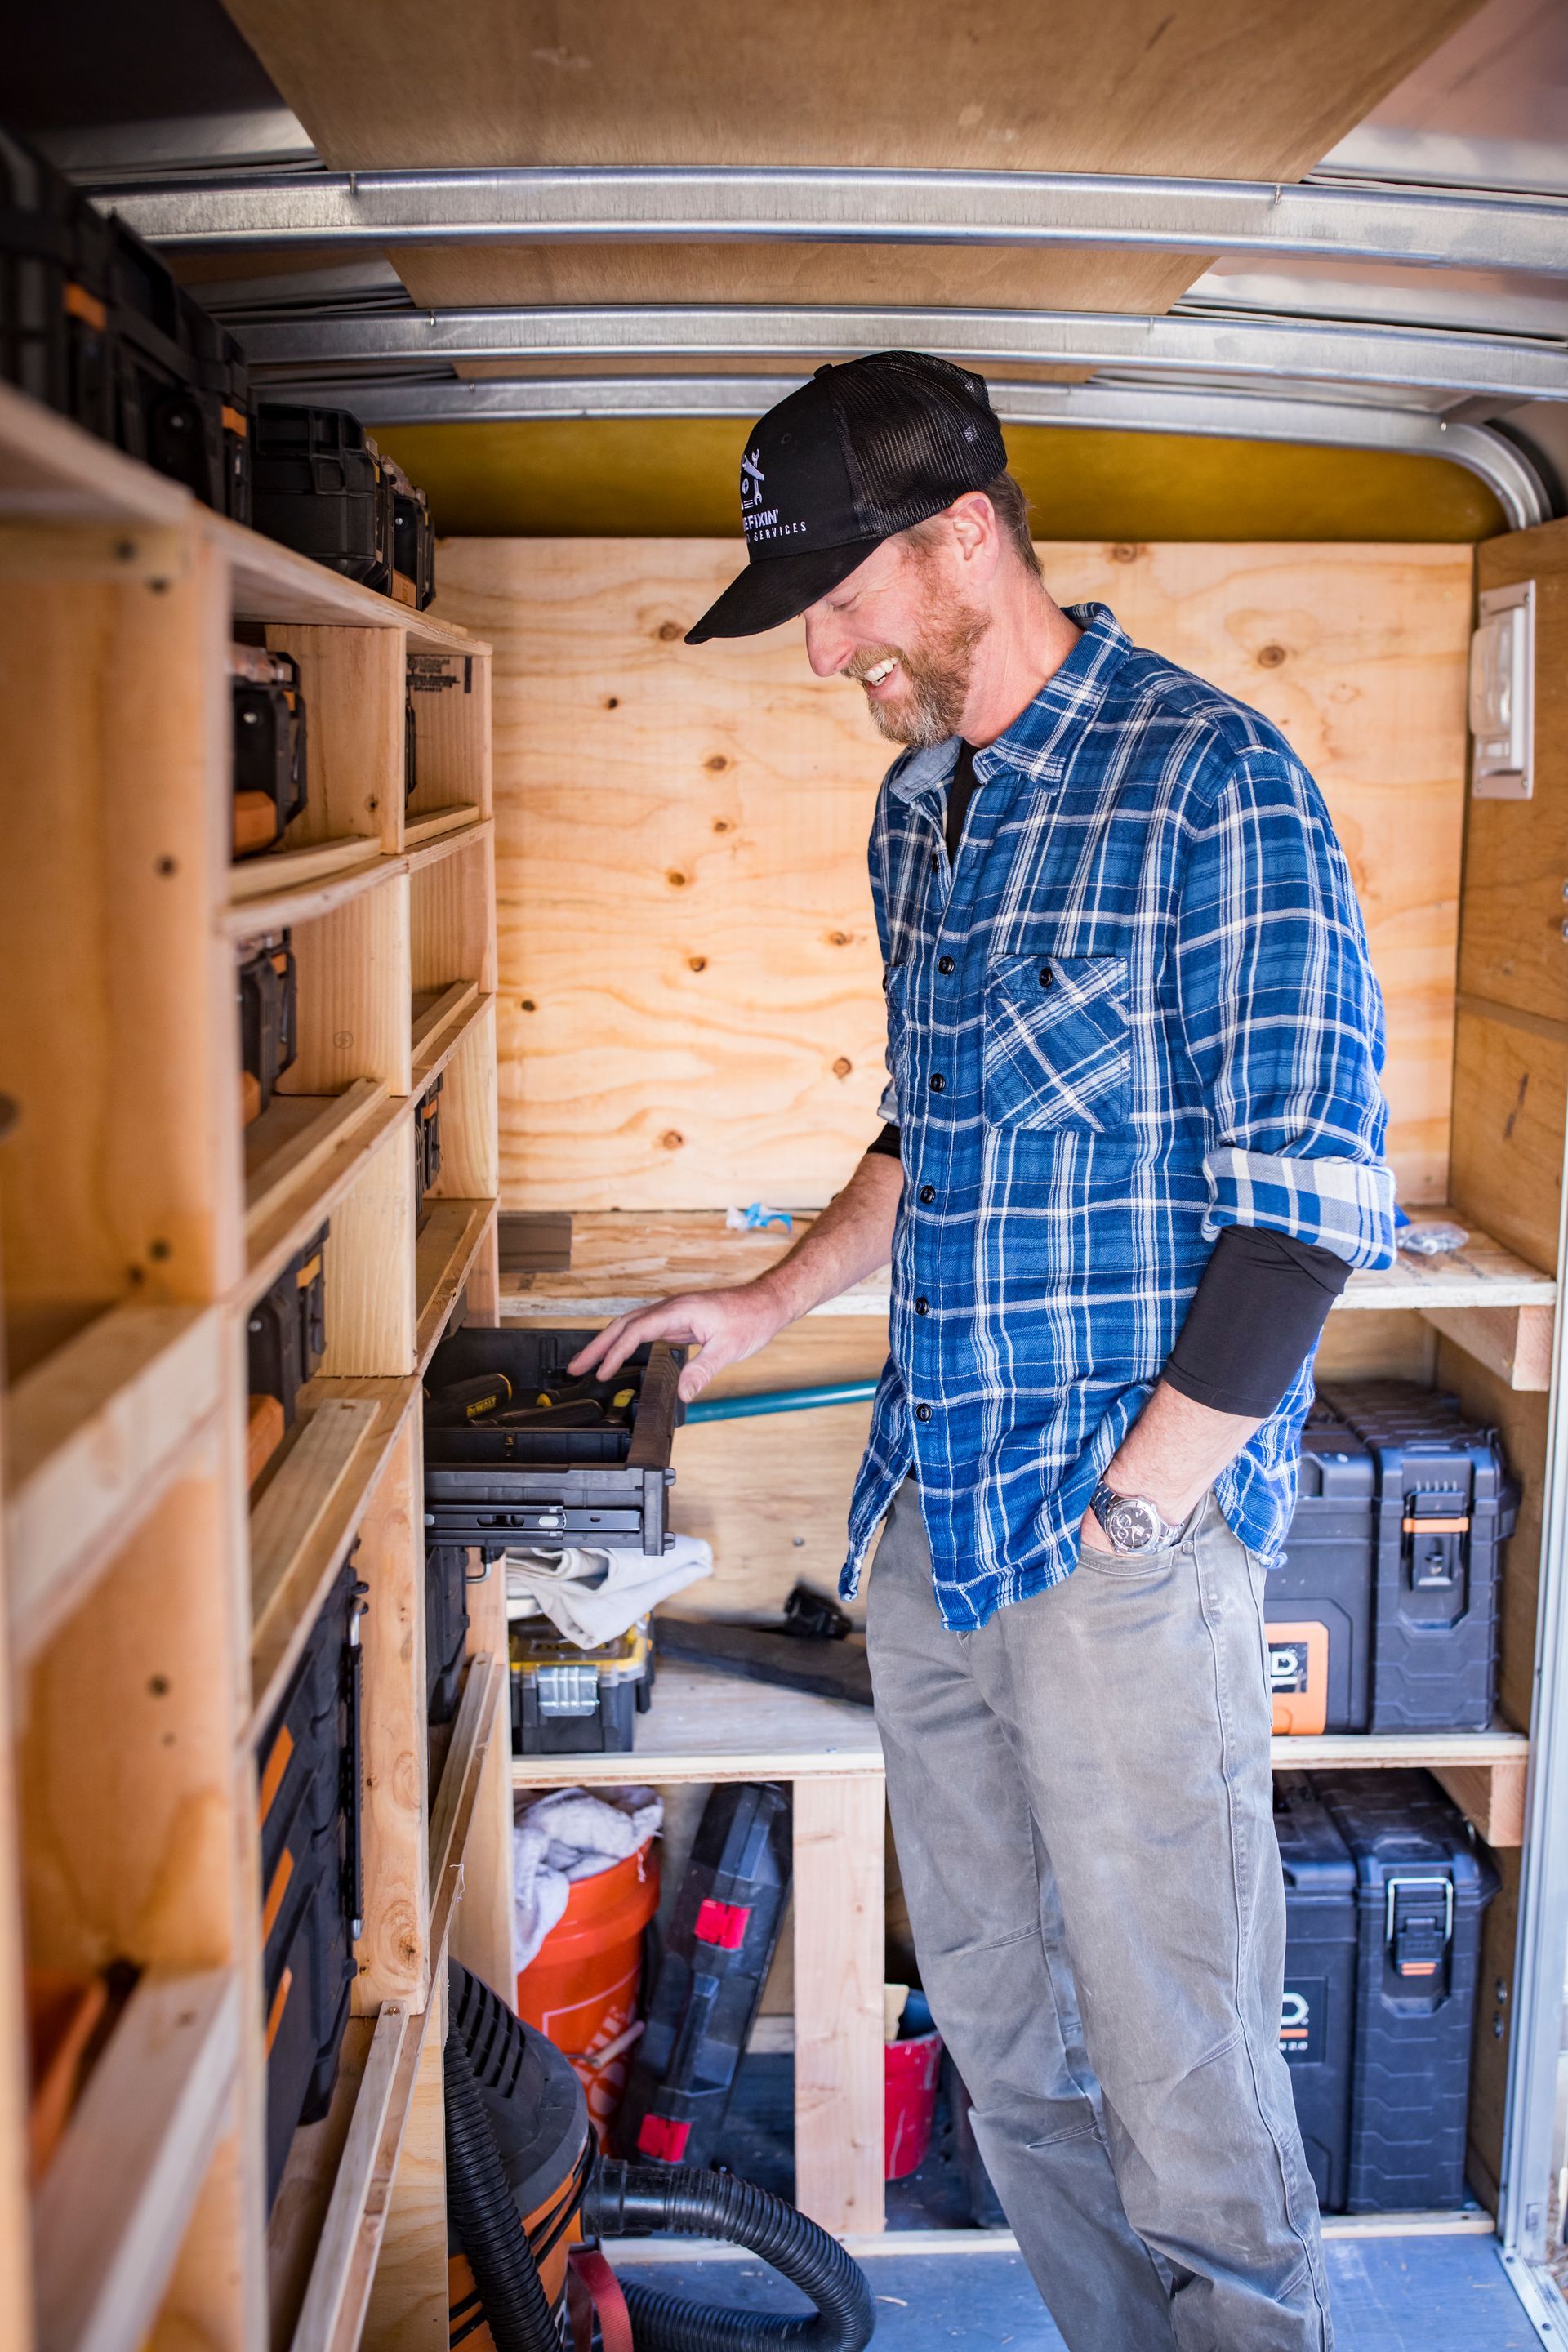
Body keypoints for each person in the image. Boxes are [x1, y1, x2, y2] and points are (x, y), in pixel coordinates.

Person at [572, 351, 1393, 2351]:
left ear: (965, 538)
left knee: (1187, 2074)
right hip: (934, 1513)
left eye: (844, 598)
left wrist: (1135, 1518)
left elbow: (1304, 1214)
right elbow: (928, 1129)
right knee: (1017, 2053)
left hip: (1120, 1550)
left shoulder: (1218, 785)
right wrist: (767, 1304)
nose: (825, 648)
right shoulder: (919, 806)